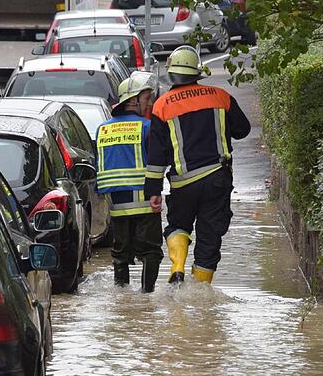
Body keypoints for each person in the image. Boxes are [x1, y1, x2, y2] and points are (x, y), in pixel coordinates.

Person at [144, 46, 251, 285]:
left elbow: (156, 156)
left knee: (178, 225)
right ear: (197, 72)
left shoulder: (162, 106)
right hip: (217, 178)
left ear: (172, 74)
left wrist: (153, 191)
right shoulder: (221, 97)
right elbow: (243, 130)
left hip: (183, 183)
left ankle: (177, 268)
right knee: (209, 236)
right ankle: (201, 292)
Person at [94, 70, 163, 293]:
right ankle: (147, 298)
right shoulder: (147, 127)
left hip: (116, 206)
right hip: (145, 202)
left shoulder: (103, 129)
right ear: (132, 101)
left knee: (120, 254)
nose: (149, 103)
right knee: (151, 251)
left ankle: (122, 297)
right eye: (146, 98)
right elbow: (158, 161)